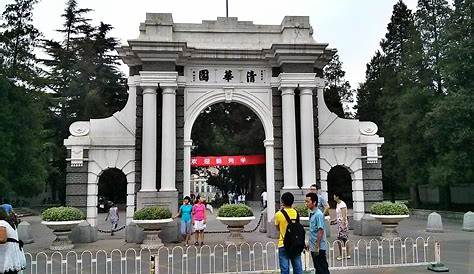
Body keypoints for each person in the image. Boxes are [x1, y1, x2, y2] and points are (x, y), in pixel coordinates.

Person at [274, 192, 303, 274]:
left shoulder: (278, 214)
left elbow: (277, 228)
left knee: (285, 269)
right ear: (292, 201)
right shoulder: (296, 213)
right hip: (295, 243)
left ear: (282, 202)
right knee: (298, 268)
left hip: (283, 243)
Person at [305, 192, 330, 274]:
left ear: (314, 202)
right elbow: (312, 230)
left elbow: (320, 230)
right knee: (318, 267)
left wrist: (317, 246)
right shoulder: (311, 213)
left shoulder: (318, 214)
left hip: (318, 247)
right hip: (314, 245)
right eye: (306, 201)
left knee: (322, 268)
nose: (306, 204)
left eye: (308, 201)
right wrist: (309, 242)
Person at [0, 207, 26, 274]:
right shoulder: (10, 223)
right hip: (13, 256)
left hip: (6, 256)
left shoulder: (1, 223)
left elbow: (3, 239)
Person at [330, 192, 351, 260]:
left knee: (342, 239)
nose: (333, 197)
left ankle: (342, 255)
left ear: (337, 197)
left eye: (334, 196)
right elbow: (339, 216)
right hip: (339, 224)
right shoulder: (338, 204)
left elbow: (344, 216)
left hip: (342, 224)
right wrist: (334, 220)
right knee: (344, 239)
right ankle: (346, 254)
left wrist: (343, 225)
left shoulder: (342, 204)